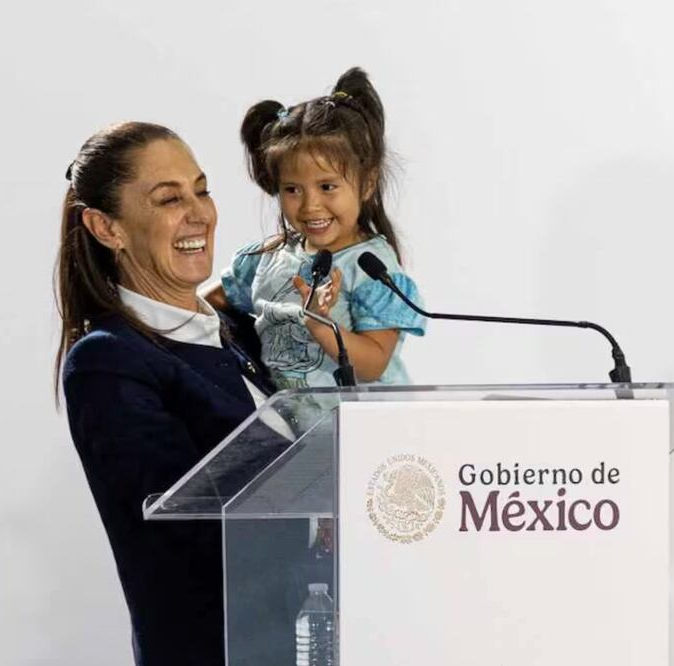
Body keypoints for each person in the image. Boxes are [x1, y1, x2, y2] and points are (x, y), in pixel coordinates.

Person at [55, 122, 281, 665]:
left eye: (202, 190)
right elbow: (183, 534)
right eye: (169, 199)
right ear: (106, 227)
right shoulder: (109, 362)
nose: (199, 213)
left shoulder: (243, 332)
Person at [206, 67, 426, 389]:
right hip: (289, 419)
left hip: (366, 419)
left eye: (327, 187)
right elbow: (202, 306)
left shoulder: (369, 267)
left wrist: (320, 326)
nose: (310, 206)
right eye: (292, 189)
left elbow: (373, 365)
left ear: (367, 183)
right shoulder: (267, 259)